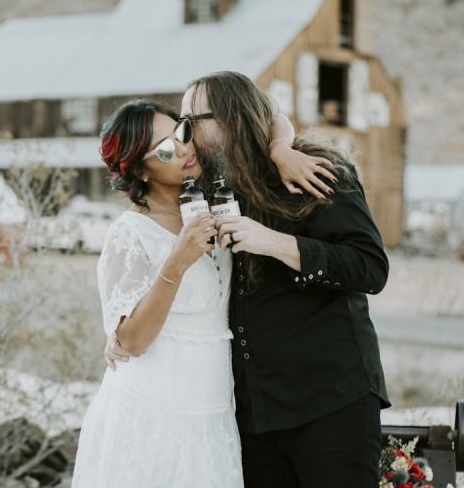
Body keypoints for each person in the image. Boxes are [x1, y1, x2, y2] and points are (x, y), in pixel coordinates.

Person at [106, 72, 391, 488]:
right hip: (250, 418)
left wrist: (277, 243)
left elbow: (370, 267)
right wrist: (120, 325)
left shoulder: (313, 169)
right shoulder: (208, 186)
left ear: (233, 121)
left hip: (329, 400)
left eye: (191, 123)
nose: (184, 138)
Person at [71, 98, 327, 488]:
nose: (185, 148)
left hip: (213, 417)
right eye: (166, 148)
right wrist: (177, 262)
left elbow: (271, 114)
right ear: (139, 168)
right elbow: (132, 342)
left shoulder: (215, 197)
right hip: (151, 412)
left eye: (182, 131)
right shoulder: (129, 233)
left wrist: (280, 148)